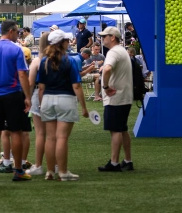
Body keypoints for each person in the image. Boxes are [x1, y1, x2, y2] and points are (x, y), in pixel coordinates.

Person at [0, 20, 32, 184]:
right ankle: (18, 170)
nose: (18, 35)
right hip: (12, 94)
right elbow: (22, 75)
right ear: (11, 31)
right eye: (17, 32)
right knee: (16, 131)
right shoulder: (16, 49)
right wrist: (27, 97)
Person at [38, 29, 89, 181]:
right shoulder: (70, 60)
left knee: (50, 138)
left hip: (47, 99)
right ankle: (63, 171)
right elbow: (77, 86)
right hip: (66, 99)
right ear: (62, 43)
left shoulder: (44, 61)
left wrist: (42, 105)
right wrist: (84, 107)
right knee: (62, 138)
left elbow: (41, 87)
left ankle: (49, 171)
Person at [97, 27, 134, 172]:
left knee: (115, 130)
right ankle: (128, 160)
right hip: (124, 96)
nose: (102, 38)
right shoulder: (122, 50)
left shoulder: (113, 52)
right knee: (123, 129)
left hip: (115, 97)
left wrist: (105, 87)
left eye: (104, 36)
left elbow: (107, 69)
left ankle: (114, 163)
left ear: (112, 37)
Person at [25, 32, 49, 177]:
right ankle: (58, 165)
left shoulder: (37, 61)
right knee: (56, 134)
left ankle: (39, 165)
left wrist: (27, 98)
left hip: (38, 94)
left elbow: (30, 82)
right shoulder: (61, 59)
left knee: (41, 133)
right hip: (55, 94)